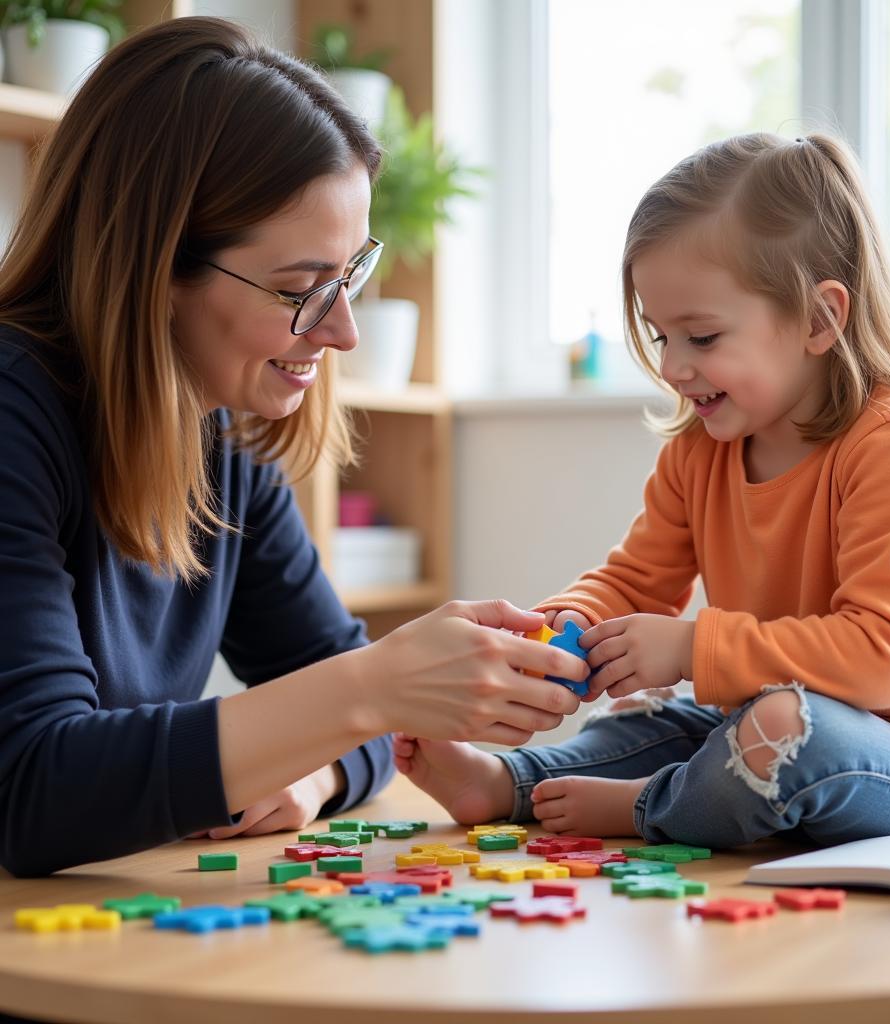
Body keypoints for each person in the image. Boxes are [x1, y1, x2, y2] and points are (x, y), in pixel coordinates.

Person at [0, 17, 585, 879]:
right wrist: (371, 689)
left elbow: (371, 724)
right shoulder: (16, 413)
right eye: (304, 288)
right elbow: (33, 791)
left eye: (350, 277)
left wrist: (318, 768)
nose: (344, 331)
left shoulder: (223, 439)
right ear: (156, 265)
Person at [395, 132, 890, 849]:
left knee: (780, 732)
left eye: (702, 337)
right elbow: (636, 581)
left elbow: (881, 658)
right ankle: (513, 783)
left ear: (820, 319)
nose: (673, 367)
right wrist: (560, 627)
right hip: (759, 717)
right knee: (652, 717)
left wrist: (694, 648)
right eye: (662, 337)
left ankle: (647, 808)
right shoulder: (702, 450)